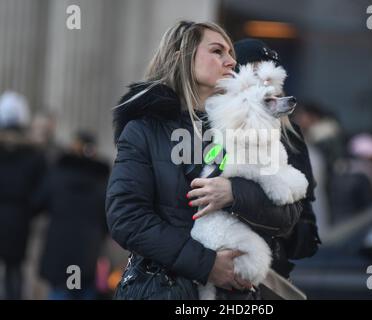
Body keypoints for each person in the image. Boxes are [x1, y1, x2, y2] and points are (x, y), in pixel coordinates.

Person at [106, 22, 309, 300]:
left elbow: (289, 214)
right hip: (165, 290)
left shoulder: (248, 125)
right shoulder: (144, 129)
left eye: (230, 54)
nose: (230, 61)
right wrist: (208, 265)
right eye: (217, 51)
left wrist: (234, 193)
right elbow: (127, 218)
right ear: (181, 56)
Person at [234, 39, 321, 280]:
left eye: (269, 78)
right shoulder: (211, 128)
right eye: (253, 74)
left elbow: (305, 223)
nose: (262, 85)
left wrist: (283, 232)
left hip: (267, 272)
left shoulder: (290, 136)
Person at [35, 131, 110, 299]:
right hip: (90, 253)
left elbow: (38, 203)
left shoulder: (57, 174)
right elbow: (109, 221)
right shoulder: (103, 181)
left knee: (60, 291)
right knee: (86, 291)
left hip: (59, 251)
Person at [0, 91, 46, 299]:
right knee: (14, 272)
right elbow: (41, 192)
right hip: (19, 221)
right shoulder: (34, 154)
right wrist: (29, 210)